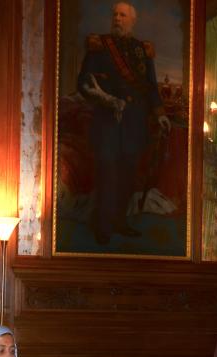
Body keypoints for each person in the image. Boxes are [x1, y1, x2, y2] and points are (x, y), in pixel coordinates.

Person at [77, 1, 171, 244]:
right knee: (107, 174)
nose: (117, 19)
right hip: (108, 122)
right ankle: (103, 226)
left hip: (134, 123)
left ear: (132, 20)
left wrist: (160, 114)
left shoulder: (142, 50)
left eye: (122, 15)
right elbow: (84, 84)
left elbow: (151, 86)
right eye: (115, 15)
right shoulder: (99, 46)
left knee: (128, 175)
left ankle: (120, 221)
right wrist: (108, 100)